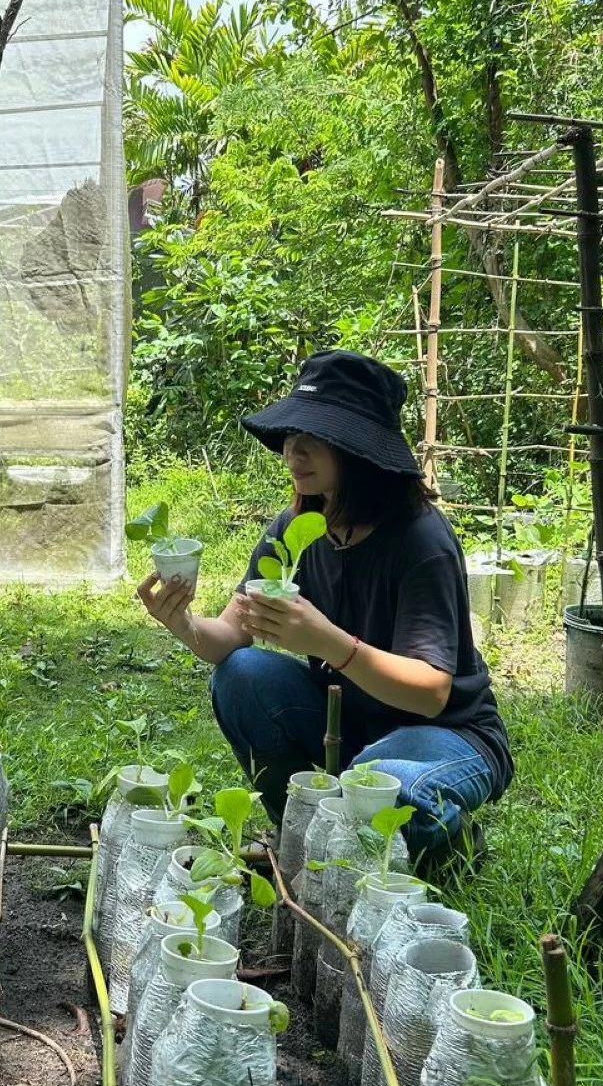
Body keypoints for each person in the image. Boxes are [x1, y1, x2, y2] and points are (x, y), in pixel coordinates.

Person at [136, 350, 513, 873]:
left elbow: (432, 694)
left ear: (360, 451)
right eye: (290, 434)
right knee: (241, 675)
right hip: (349, 724)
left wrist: (327, 641)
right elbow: (226, 637)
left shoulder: (421, 539)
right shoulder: (297, 529)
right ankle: (301, 835)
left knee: (381, 791)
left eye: (315, 436)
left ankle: (454, 841)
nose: (294, 449)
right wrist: (181, 622)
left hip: (448, 735)